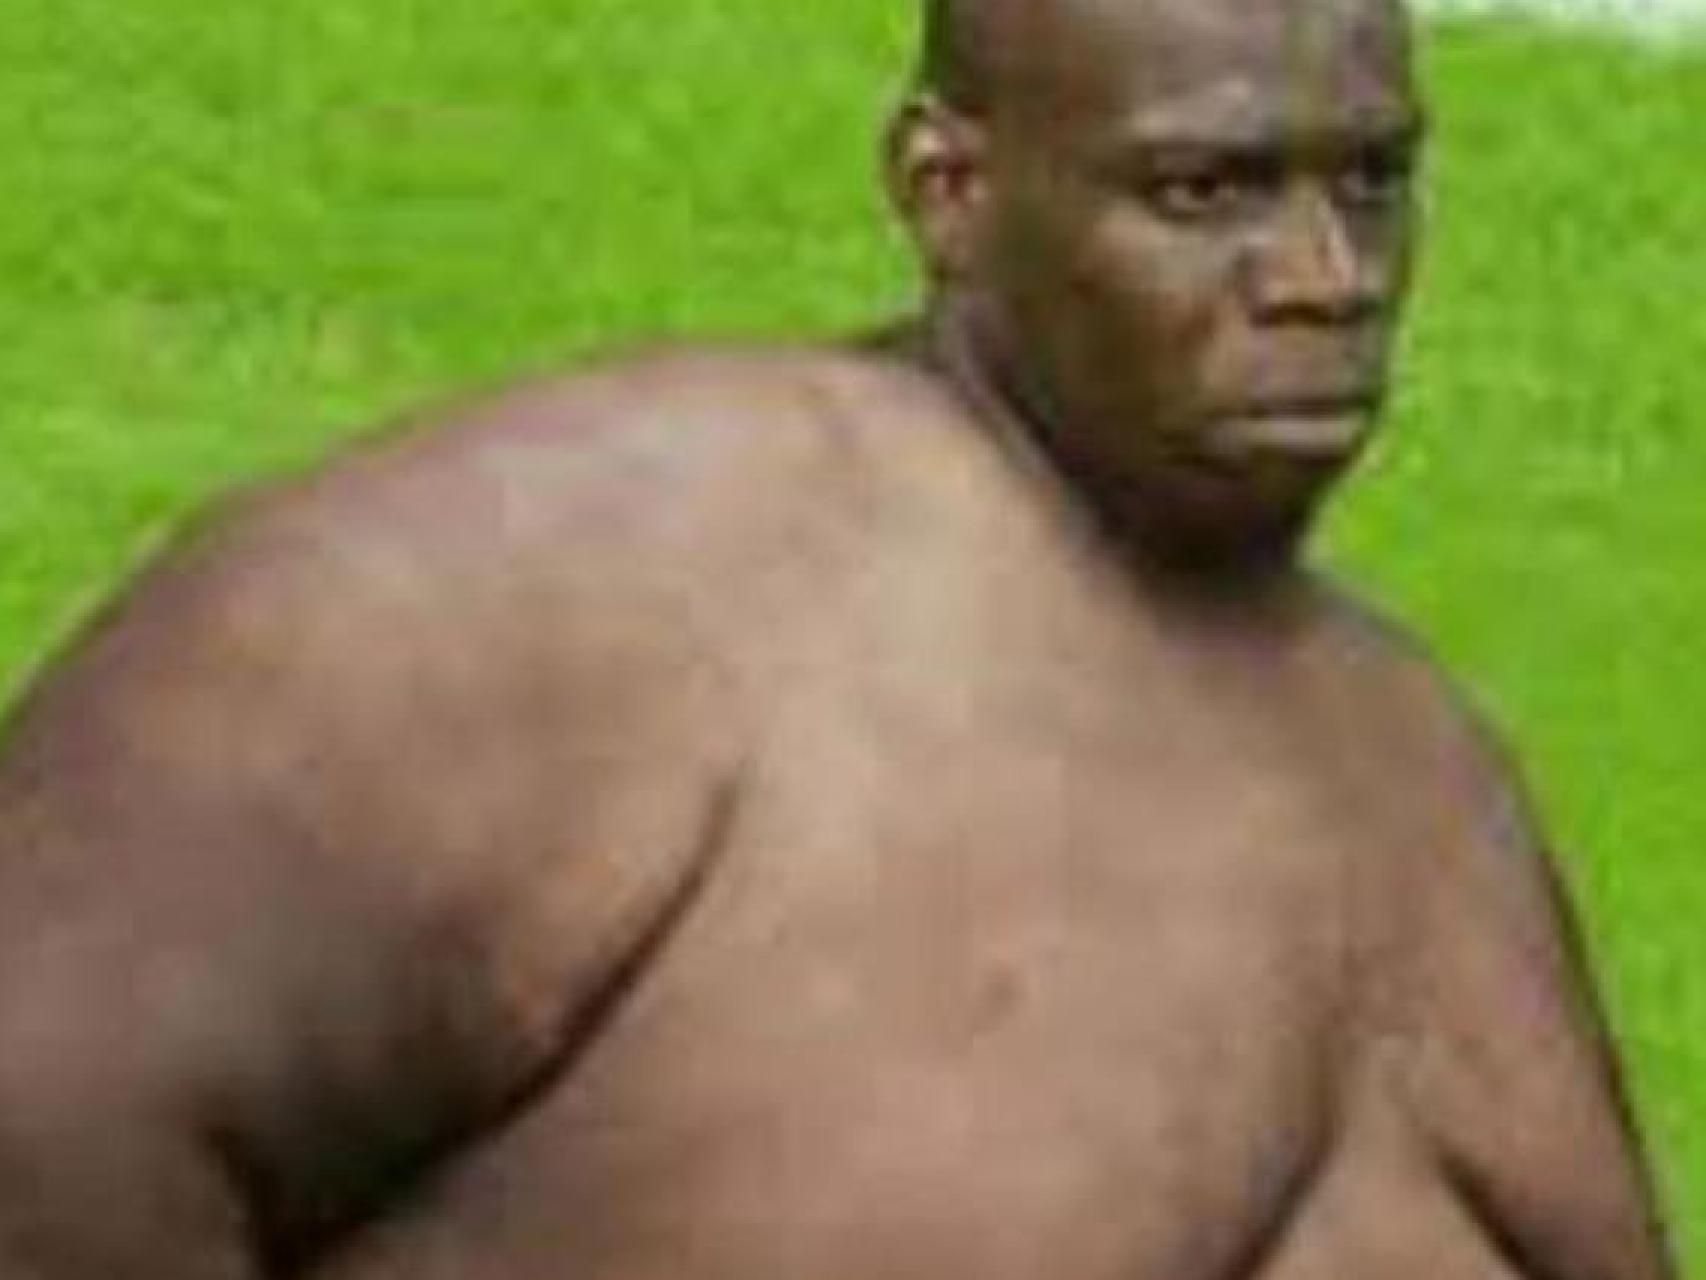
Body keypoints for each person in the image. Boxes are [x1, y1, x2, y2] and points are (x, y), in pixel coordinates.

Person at [0, 0, 1677, 1275]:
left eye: (1371, 181)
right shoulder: (600, 564)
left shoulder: (1424, 776)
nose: (1325, 274)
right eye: (1203, 189)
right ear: (946, 190)